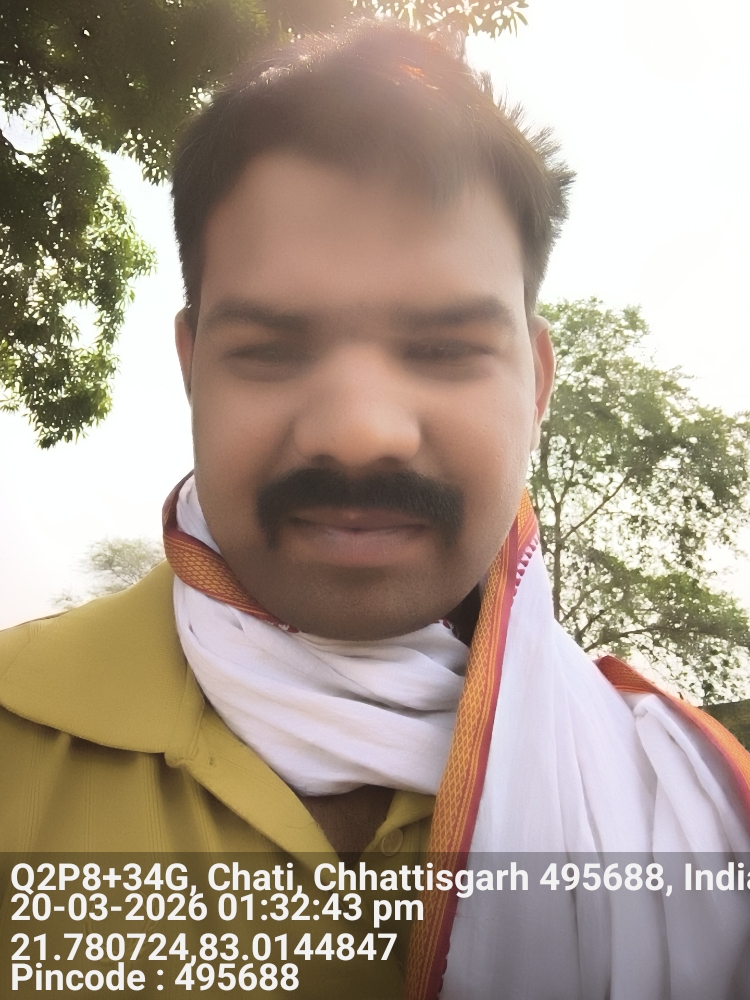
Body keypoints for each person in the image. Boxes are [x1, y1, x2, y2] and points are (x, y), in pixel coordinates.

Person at [1, 20, 749, 999]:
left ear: (535, 382)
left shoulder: (694, 815)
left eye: (443, 350)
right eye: (271, 349)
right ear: (191, 369)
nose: (359, 432)